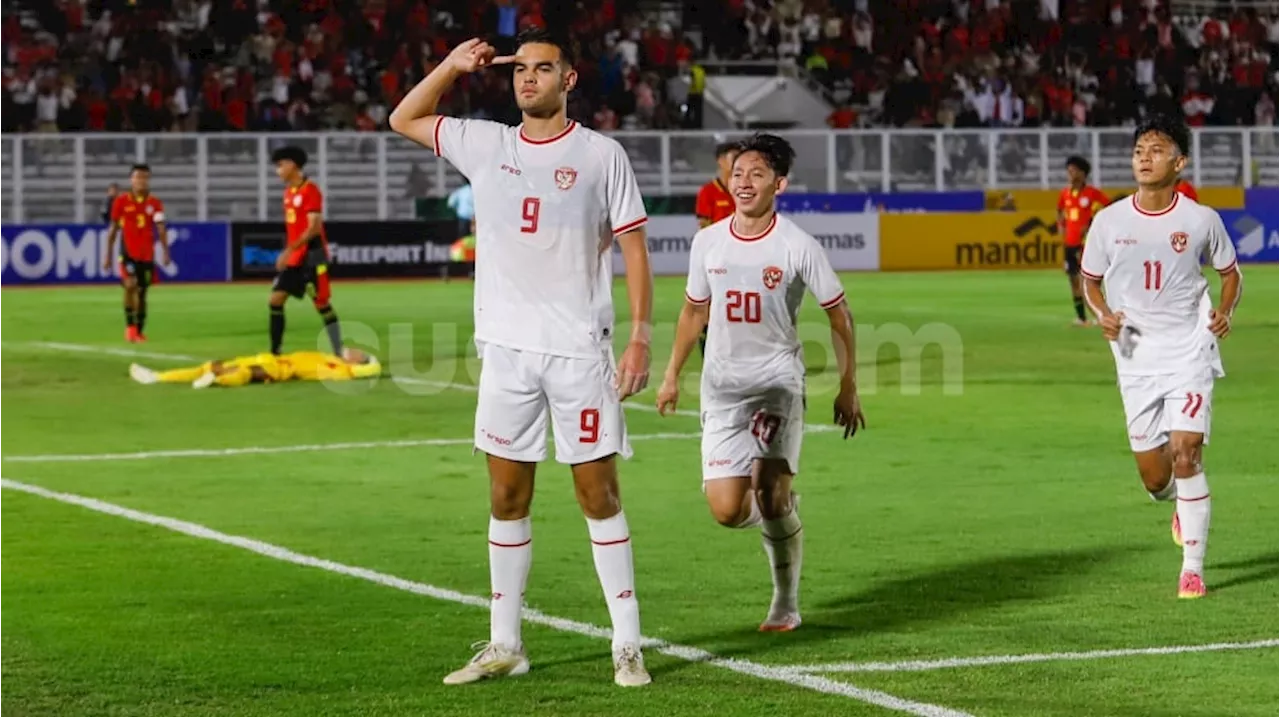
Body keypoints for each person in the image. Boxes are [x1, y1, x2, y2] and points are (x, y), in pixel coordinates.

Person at [389, 29, 655, 687]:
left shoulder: (601, 154)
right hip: (506, 353)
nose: (527, 78)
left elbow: (635, 248)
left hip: (578, 353)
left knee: (599, 494)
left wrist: (642, 335)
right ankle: (505, 642)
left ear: (569, 80)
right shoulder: (487, 143)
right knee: (507, 493)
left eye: (543, 69)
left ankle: (627, 643)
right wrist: (451, 64)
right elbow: (404, 117)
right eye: (520, 70)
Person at [655, 134, 866, 631]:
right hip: (722, 388)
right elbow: (692, 311)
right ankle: (785, 511)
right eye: (737, 174)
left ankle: (784, 602)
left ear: (780, 184)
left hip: (777, 384)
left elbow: (840, 315)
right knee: (728, 510)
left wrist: (848, 384)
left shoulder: (796, 244)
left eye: (756, 174)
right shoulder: (708, 242)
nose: (743, 182)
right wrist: (670, 375)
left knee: (768, 496)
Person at [1080, 116, 1243, 600]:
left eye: (1156, 149)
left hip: (1189, 346)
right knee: (1157, 477)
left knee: (1187, 453)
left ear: (1180, 162)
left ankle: (1192, 568)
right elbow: (1090, 282)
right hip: (1133, 350)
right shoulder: (1108, 221)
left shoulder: (1200, 219)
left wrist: (1225, 311)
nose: (1144, 157)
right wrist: (1103, 314)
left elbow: (1230, 274)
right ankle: (1176, 500)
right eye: (1138, 151)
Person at [268, 146, 344, 357]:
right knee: (275, 300)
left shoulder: (310, 190)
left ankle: (338, 351)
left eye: (280, 165)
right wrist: (290, 253)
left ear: (292, 165)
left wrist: (287, 251)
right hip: (295, 257)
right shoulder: (288, 193)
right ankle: (275, 353)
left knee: (321, 303)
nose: (278, 171)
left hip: (312, 256)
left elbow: (313, 228)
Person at [103, 165, 169, 343]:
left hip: (147, 255)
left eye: (144, 177)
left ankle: (139, 330)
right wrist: (108, 255)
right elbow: (114, 229)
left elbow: (161, 228)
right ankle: (130, 327)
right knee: (130, 285)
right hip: (128, 252)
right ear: (131, 180)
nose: (141, 181)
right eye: (137, 177)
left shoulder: (155, 204)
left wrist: (165, 252)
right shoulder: (121, 202)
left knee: (142, 293)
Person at [128, 348, 380, 388]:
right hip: (268, 357)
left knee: (247, 374)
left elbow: (372, 370)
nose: (353, 350)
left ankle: (216, 380)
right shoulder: (329, 356)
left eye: (359, 354)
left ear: (357, 363)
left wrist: (370, 364)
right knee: (211, 364)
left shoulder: (342, 371)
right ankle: (157, 377)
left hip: (280, 369)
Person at [694, 141, 739, 355]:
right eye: (733, 158)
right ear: (720, 161)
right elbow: (703, 227)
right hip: (718, 259)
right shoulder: (708, 192)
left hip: (742, 258)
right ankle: (708, 353)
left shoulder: (743, 191)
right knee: (710, 307)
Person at [1057, 156, 1110, 326]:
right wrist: (1061, 226)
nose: (1070, 174)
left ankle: (1101, 314)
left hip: (1085, 244)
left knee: (1088, 280)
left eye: (1073, 170)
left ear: (1082, 173)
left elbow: (1109, 209)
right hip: (1070, 244)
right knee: (1073, 281)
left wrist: (1092, 223)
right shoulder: (1065, 194)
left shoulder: (1092, 193)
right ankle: (1081, 318)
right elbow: (1059, 210)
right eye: (1069, 170)